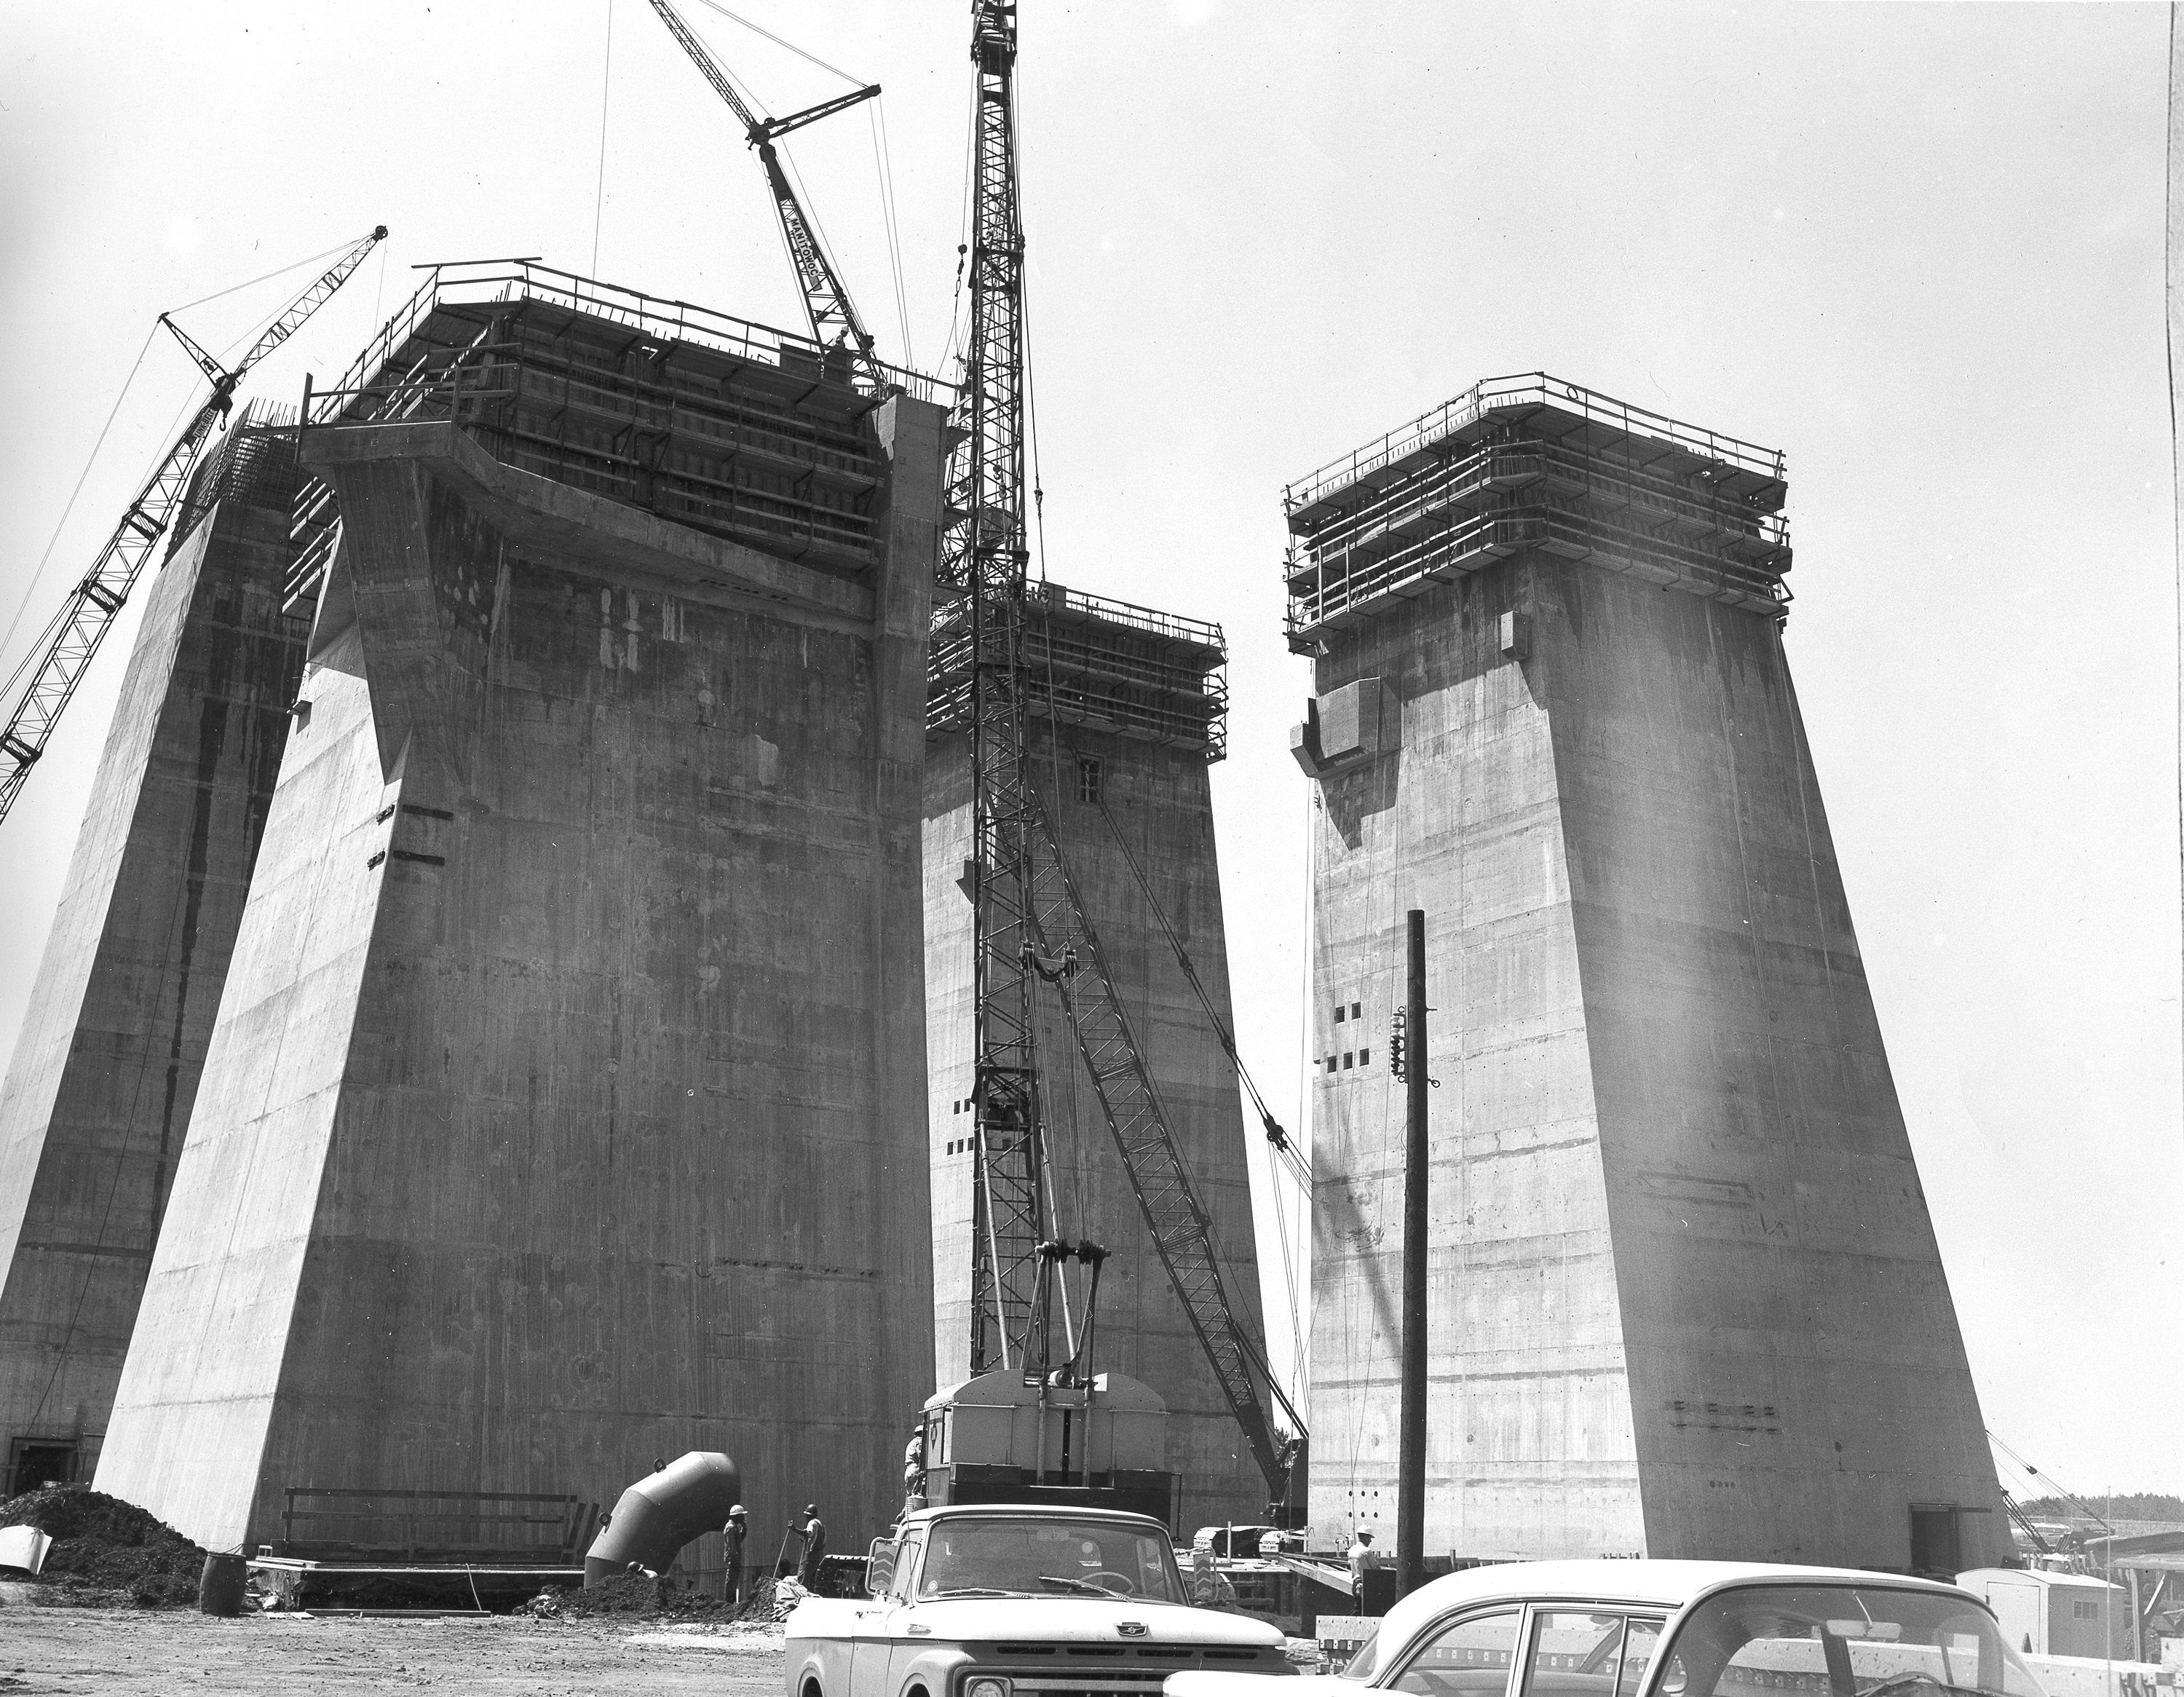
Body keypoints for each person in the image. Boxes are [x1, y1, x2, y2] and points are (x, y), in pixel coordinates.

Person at [789, 1503, 826, 1591]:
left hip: (811, 1555)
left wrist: (794, 1529)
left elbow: (808, 1533)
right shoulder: (821, 1524)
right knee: (812, 1578)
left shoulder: (812, 1523)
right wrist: (806, 1540)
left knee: (803, 1578)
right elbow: (819, 1540)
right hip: (819, 1554)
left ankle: (802, 1596)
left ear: (808, 1515)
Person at [721, 1503, 748, 1606]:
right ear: (736, 1516)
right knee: (731, 1582)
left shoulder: (734, 1527)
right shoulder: (731, 1528)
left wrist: (744, 1529)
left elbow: (738, 1541)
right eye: (741, 1516)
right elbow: (732, 1547)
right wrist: (736, 1561)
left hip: (734, 1559)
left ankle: (730, 1603)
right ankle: (728, 1604)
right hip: (732, 1559)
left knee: (733, 1581)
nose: (743, 1518)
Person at [1347, 1528, 1376, 1595]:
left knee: (1358, 1601)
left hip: (1355, 1585)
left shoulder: (1351, 1550)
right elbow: (1376, 1568)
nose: (1370, 1541)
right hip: (1366, 1585)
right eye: (1369, 1538)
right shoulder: (1367, 1551)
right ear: (1364, 1538)